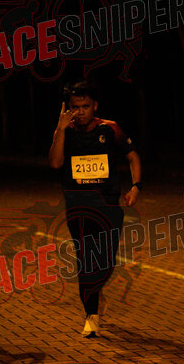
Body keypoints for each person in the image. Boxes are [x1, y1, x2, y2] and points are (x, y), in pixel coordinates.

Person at [48, 80, 142, 338]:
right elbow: (55, 163)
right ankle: (91, 316)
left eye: (85, 106)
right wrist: (60, 129)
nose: (80, 112)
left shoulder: (110, 129)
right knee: (86, 261)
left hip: (108, 205)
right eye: (75, 107)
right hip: (78, 206)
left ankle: (96, 291)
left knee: (106, 262)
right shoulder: (65, 131)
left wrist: (136, 186)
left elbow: (133, 156)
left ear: (95, 106)